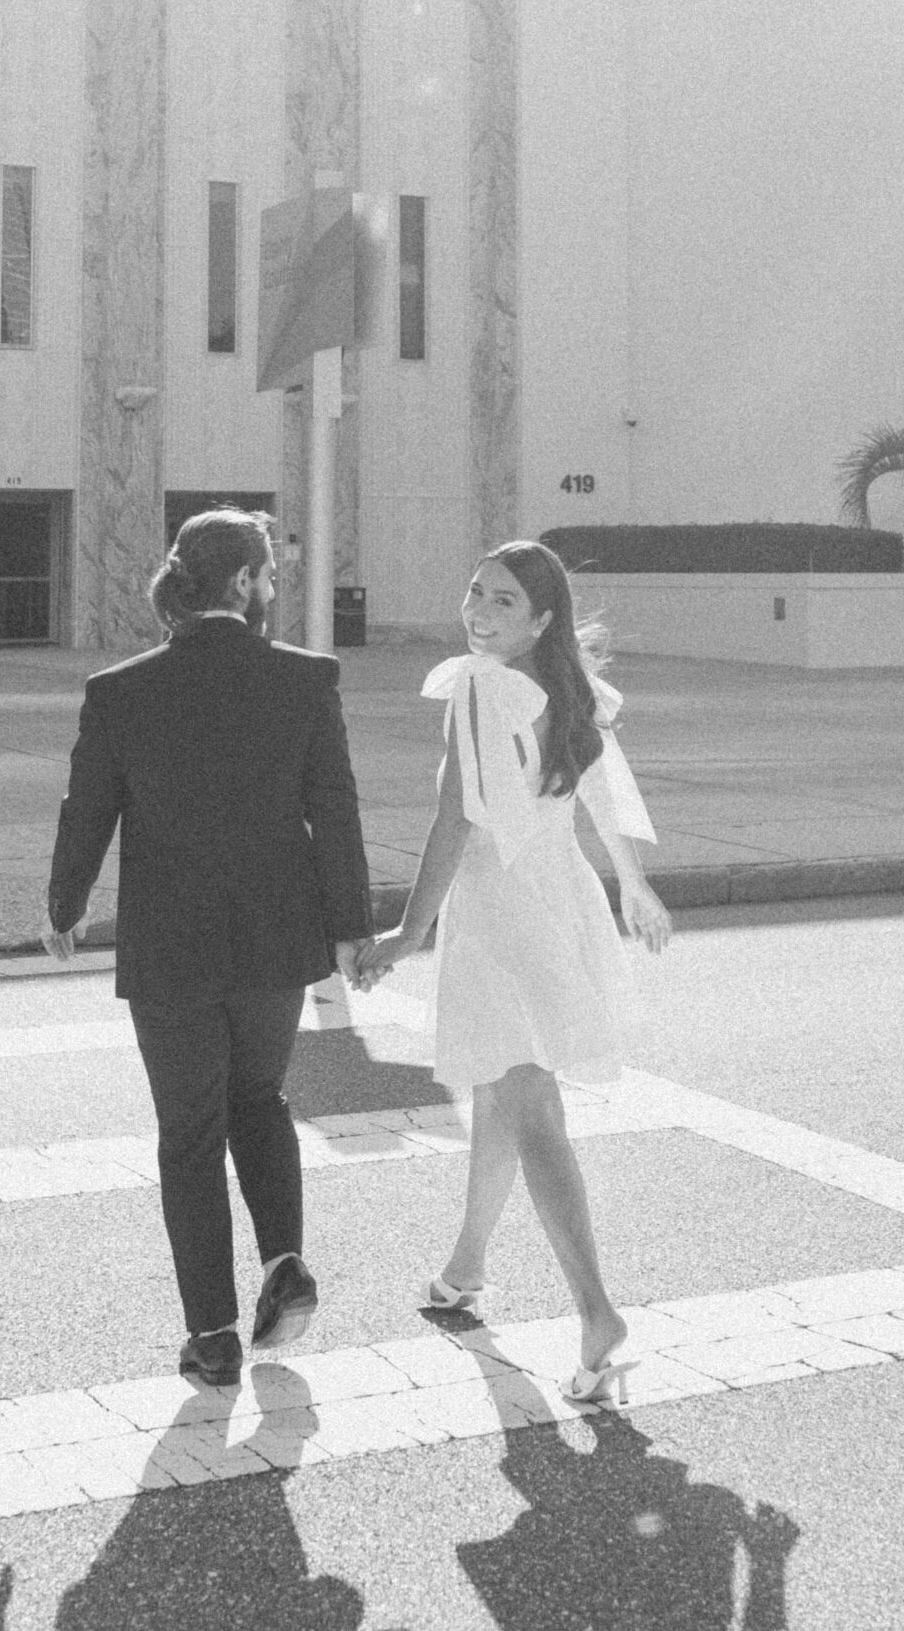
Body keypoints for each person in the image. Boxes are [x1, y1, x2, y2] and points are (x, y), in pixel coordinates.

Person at [45, 508, 376, 1390]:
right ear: (241, 584)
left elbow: (88, 810)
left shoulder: (119, 690)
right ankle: (284, 1256)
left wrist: (65, 904)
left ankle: (213, 1335)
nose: (272, 589)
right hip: (276, 936)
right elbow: (334, 807)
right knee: (259, 1099)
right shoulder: (306, 680)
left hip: (169, 943)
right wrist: (351, 927)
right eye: (268, 574)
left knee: (188, 1133)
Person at [357, 539, 671, 1404]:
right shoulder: (561, 681)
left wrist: (408, 927)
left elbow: (456, 818)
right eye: (474, 593)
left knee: (531, 1107)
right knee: (499, 1088)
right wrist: (631, 885)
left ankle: (597, 1313)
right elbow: (600, 794)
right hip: (555, 899)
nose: (477, 612)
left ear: (540, 618)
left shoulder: (479, 685)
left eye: (501, 602)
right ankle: (463, 1270)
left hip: (501, 912)